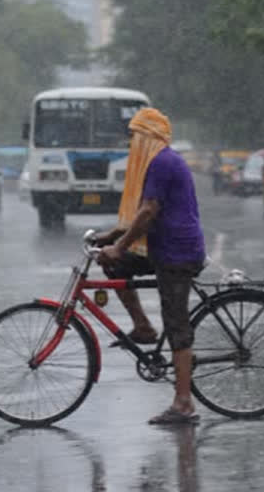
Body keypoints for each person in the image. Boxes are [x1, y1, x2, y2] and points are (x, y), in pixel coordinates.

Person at [95, 107, 205, 425]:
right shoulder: (154, 163)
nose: (132, 142)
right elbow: (138, 213)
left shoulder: (162, 162)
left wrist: (120, 246)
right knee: (115, 268)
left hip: (177, 253)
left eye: (135, 135)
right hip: (161, 247)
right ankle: (142, 327)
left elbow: (148, 213)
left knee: (177, 327)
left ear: (149, 137)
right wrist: (111, 238)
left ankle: (184, 403)